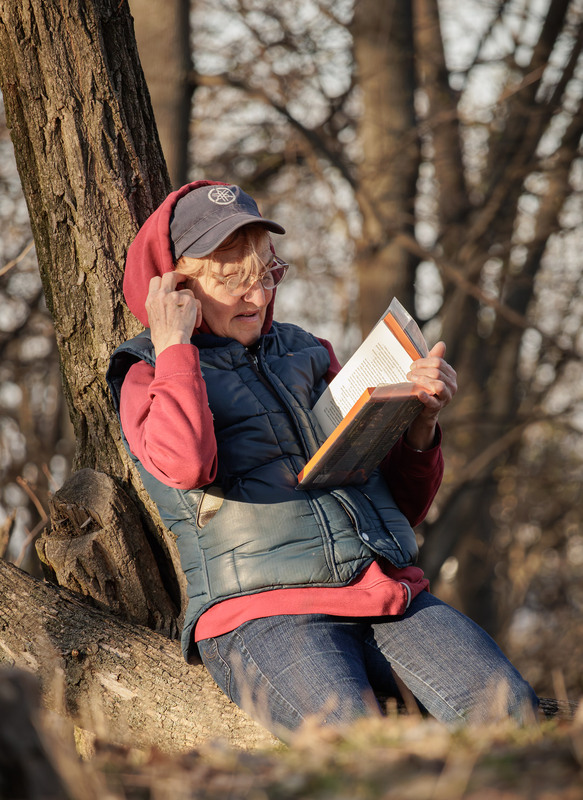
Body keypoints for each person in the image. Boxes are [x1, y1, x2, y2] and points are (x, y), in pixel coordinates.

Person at [107, 180, 538, 740]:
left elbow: (401, 505)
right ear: (176, 287)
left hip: (390, 595)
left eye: (265, 273)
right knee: (359, 750)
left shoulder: (309, 350)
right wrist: (174, 347)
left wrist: (420, 425)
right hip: (266, 615)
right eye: (232, 279)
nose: (258, 297)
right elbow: (185, 465)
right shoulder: (146, 371)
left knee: (512, 721)